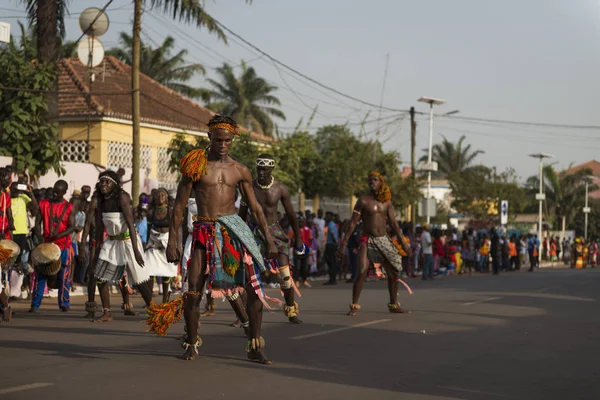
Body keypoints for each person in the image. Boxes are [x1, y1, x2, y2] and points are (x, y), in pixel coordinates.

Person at [150, 115, 278, 364]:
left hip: (232, 232)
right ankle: (192, 342)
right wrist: (173, 240)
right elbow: (178, 206)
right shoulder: (196, 166)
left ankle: (254, 345)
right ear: (209, 137)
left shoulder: (240, 170)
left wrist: (269, 239)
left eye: (228, 141)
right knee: (192, 293)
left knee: (253, 291)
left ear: (233, 140)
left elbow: (255, 208)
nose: (223, 145)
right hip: (203, 231)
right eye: (218, 140)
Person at [238, 154, 304, 324]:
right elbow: (242, 215)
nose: (261, 173)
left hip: (275, 231)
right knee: (249, 276)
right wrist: (238, 236)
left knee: (285, 276)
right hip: (253, 232)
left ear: (272, 169)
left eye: (265, 169)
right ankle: (245, 314)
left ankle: (290, 309)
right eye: (259, 169)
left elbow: (291, 214)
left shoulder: (280, 189)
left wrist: (298, 239)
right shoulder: (249, 188)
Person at [337, 172, 411, 316]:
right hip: (367, 239)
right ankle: (354, 305)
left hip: (383, 239)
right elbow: (352, 223)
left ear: (381, 182)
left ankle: (394, 304)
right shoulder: (363, 201)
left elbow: (394, 224)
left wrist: (404, 243)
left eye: (375, 180)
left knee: (394, 272)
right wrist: (344, 244)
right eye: (370, 180)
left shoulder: (387, 202)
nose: (372, 182)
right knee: (361, 271)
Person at [91, 171, 154, 322]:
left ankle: (153, 309)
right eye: (101, 182)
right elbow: (99, 227)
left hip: (128, 240)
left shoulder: (122, 198)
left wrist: (136, 251)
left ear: (115, 184)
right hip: (112, 242)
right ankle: (107, 312)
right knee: (100, 276)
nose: (103, 185)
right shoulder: (100, 200)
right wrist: (96, 249)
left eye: (107, 182)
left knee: (140, 280)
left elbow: (131, 226)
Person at [29, 180, 76, 312]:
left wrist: (60, 235)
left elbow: (72, 226)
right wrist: (39, 237)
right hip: (46, 245)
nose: (54, 194)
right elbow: (37, 222)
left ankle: (64, 303)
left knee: (64, 276)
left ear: (65, 192)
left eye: (58, 192)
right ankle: (35, 304)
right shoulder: (43, 204)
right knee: (40, 275)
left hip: (63, 246)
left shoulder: (69, 207)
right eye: (54, 190)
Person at [145, 188, 175, 303]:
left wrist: (175, 245)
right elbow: (148, 230)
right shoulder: (150, 212)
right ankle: (149, 301)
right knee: (150, 272)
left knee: (166, 273)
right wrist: (146, 244)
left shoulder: (171, 211)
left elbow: (174, 230)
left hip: (167, 243)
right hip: (153, 243)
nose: (160, 197)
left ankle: (165, 301)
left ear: (167, 197)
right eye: (157, 195)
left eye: (162, 195)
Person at [0, 168, 14, 239]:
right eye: (8, 179)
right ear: (1, 178)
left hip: (4, 231)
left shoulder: (6, 196)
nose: (9, 181)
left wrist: (11, 222)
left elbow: (9, 211)